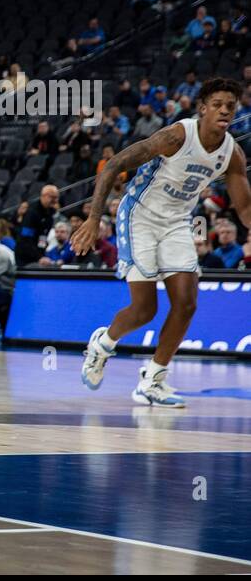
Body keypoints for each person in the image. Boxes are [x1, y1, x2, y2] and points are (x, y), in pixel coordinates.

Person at [74, 78, 250, 408]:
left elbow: (245, 209)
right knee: (144, 310)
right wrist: (94, 219)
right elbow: (113, 165)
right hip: (139, 216)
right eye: (217, 104)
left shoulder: (232, 154)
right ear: (202, 108)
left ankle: (152, 381)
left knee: (186, 303)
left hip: (176, 222)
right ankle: (102, 344)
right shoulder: (177, 135)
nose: (225, 109)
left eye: (231, 105)